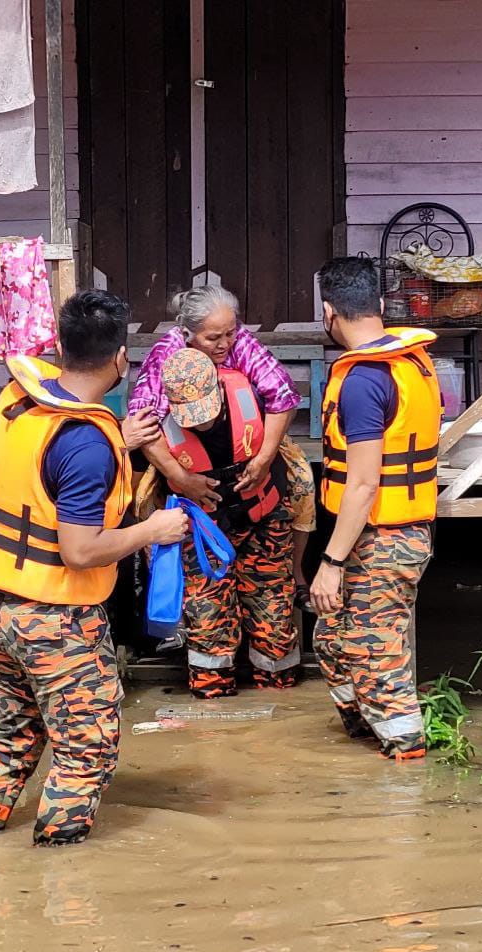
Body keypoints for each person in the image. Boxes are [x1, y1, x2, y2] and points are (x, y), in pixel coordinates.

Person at [0, 290, 190, 846]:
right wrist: (153, 531)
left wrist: (117, 440)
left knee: (14, 732)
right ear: (121, 359)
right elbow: (80, 551)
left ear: (61, 348)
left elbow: (48, 469)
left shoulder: (17, 400)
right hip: (56, 623)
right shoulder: (86, 443)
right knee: (88, 747)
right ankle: (60, 862)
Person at [309, 257, 441, 761]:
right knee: (331, 639)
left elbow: (363, 484)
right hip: (385, 533)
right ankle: (366, 733)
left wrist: (331, 563)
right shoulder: (411, 363)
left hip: (381, 540)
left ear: (328, 312)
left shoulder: (364, 380)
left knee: (375, 655)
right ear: (380, 305)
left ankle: (406, 762)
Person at [128, 286, 317, 605]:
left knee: (302, 482)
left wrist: (265, 457)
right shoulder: (166, 353)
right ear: (188, 333)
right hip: (183, 454)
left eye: (230, 333)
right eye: (213, 337)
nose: (225, 343)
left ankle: (297, 571)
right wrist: (180, 477)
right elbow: (144, 424)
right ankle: (157, 589)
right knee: (144, 501)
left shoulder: (240, 340)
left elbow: (283, 396)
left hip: (249, 442)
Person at [157, 348, 299, 698]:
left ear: (219, 388)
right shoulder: (155, 417)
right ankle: (211, 700)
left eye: (206, 412)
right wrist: (181, 479)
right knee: (207, 617)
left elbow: (287, 403)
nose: (200, 423)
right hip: (203, 530)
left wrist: (264, 459)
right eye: (191, 417)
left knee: (274, 614)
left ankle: (281, 696)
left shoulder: (251, 392)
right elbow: (139, 449)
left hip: (263, 517)